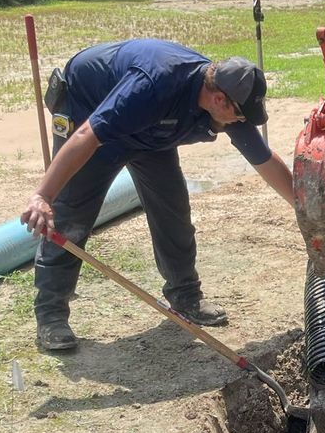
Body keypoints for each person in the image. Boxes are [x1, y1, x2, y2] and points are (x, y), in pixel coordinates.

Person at [21, 39, 294, 352]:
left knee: (172, 208)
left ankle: (185, 296)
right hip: (91, 111)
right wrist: (43, 195)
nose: (241, 123)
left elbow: (262, 158)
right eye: (241, 116)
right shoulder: (154, 85)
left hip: (151, 133)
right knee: (72, 213)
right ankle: (51, 315)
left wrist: (304, 211)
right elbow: (86, 136)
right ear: (219, 99)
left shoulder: (227, 97)